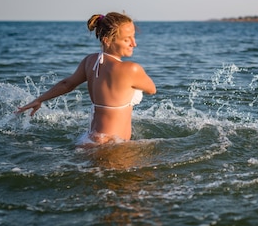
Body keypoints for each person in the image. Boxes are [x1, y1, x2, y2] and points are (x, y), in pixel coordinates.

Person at [16, 12, 156, 146]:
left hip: (89, 140)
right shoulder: (131, 69)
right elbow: (151, 89)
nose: (134, 43)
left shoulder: (90, 61)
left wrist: (39, 99)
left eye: (133, 36)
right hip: (111, 145)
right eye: (127, 39)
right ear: (107, 41)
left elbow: (67, 84)